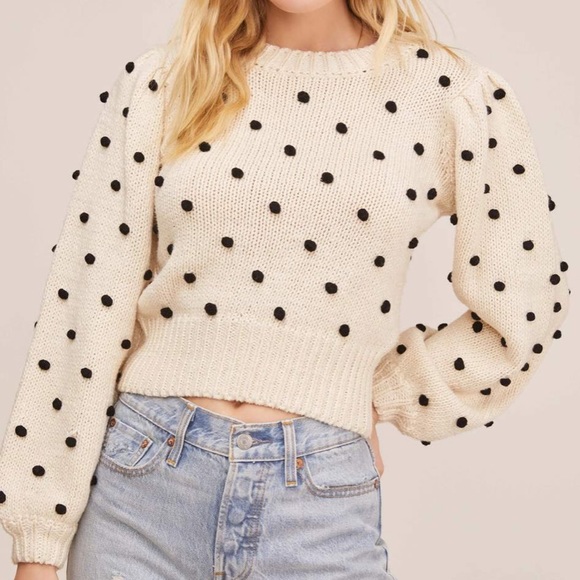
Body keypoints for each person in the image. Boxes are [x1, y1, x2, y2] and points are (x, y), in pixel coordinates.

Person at [0, 0, 571, 578]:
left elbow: (526, 302)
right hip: (140, 495)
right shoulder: (166, 80)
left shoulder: (448, 93)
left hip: (319, 507)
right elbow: (85, 302)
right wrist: (38, 541)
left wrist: (386, 392)